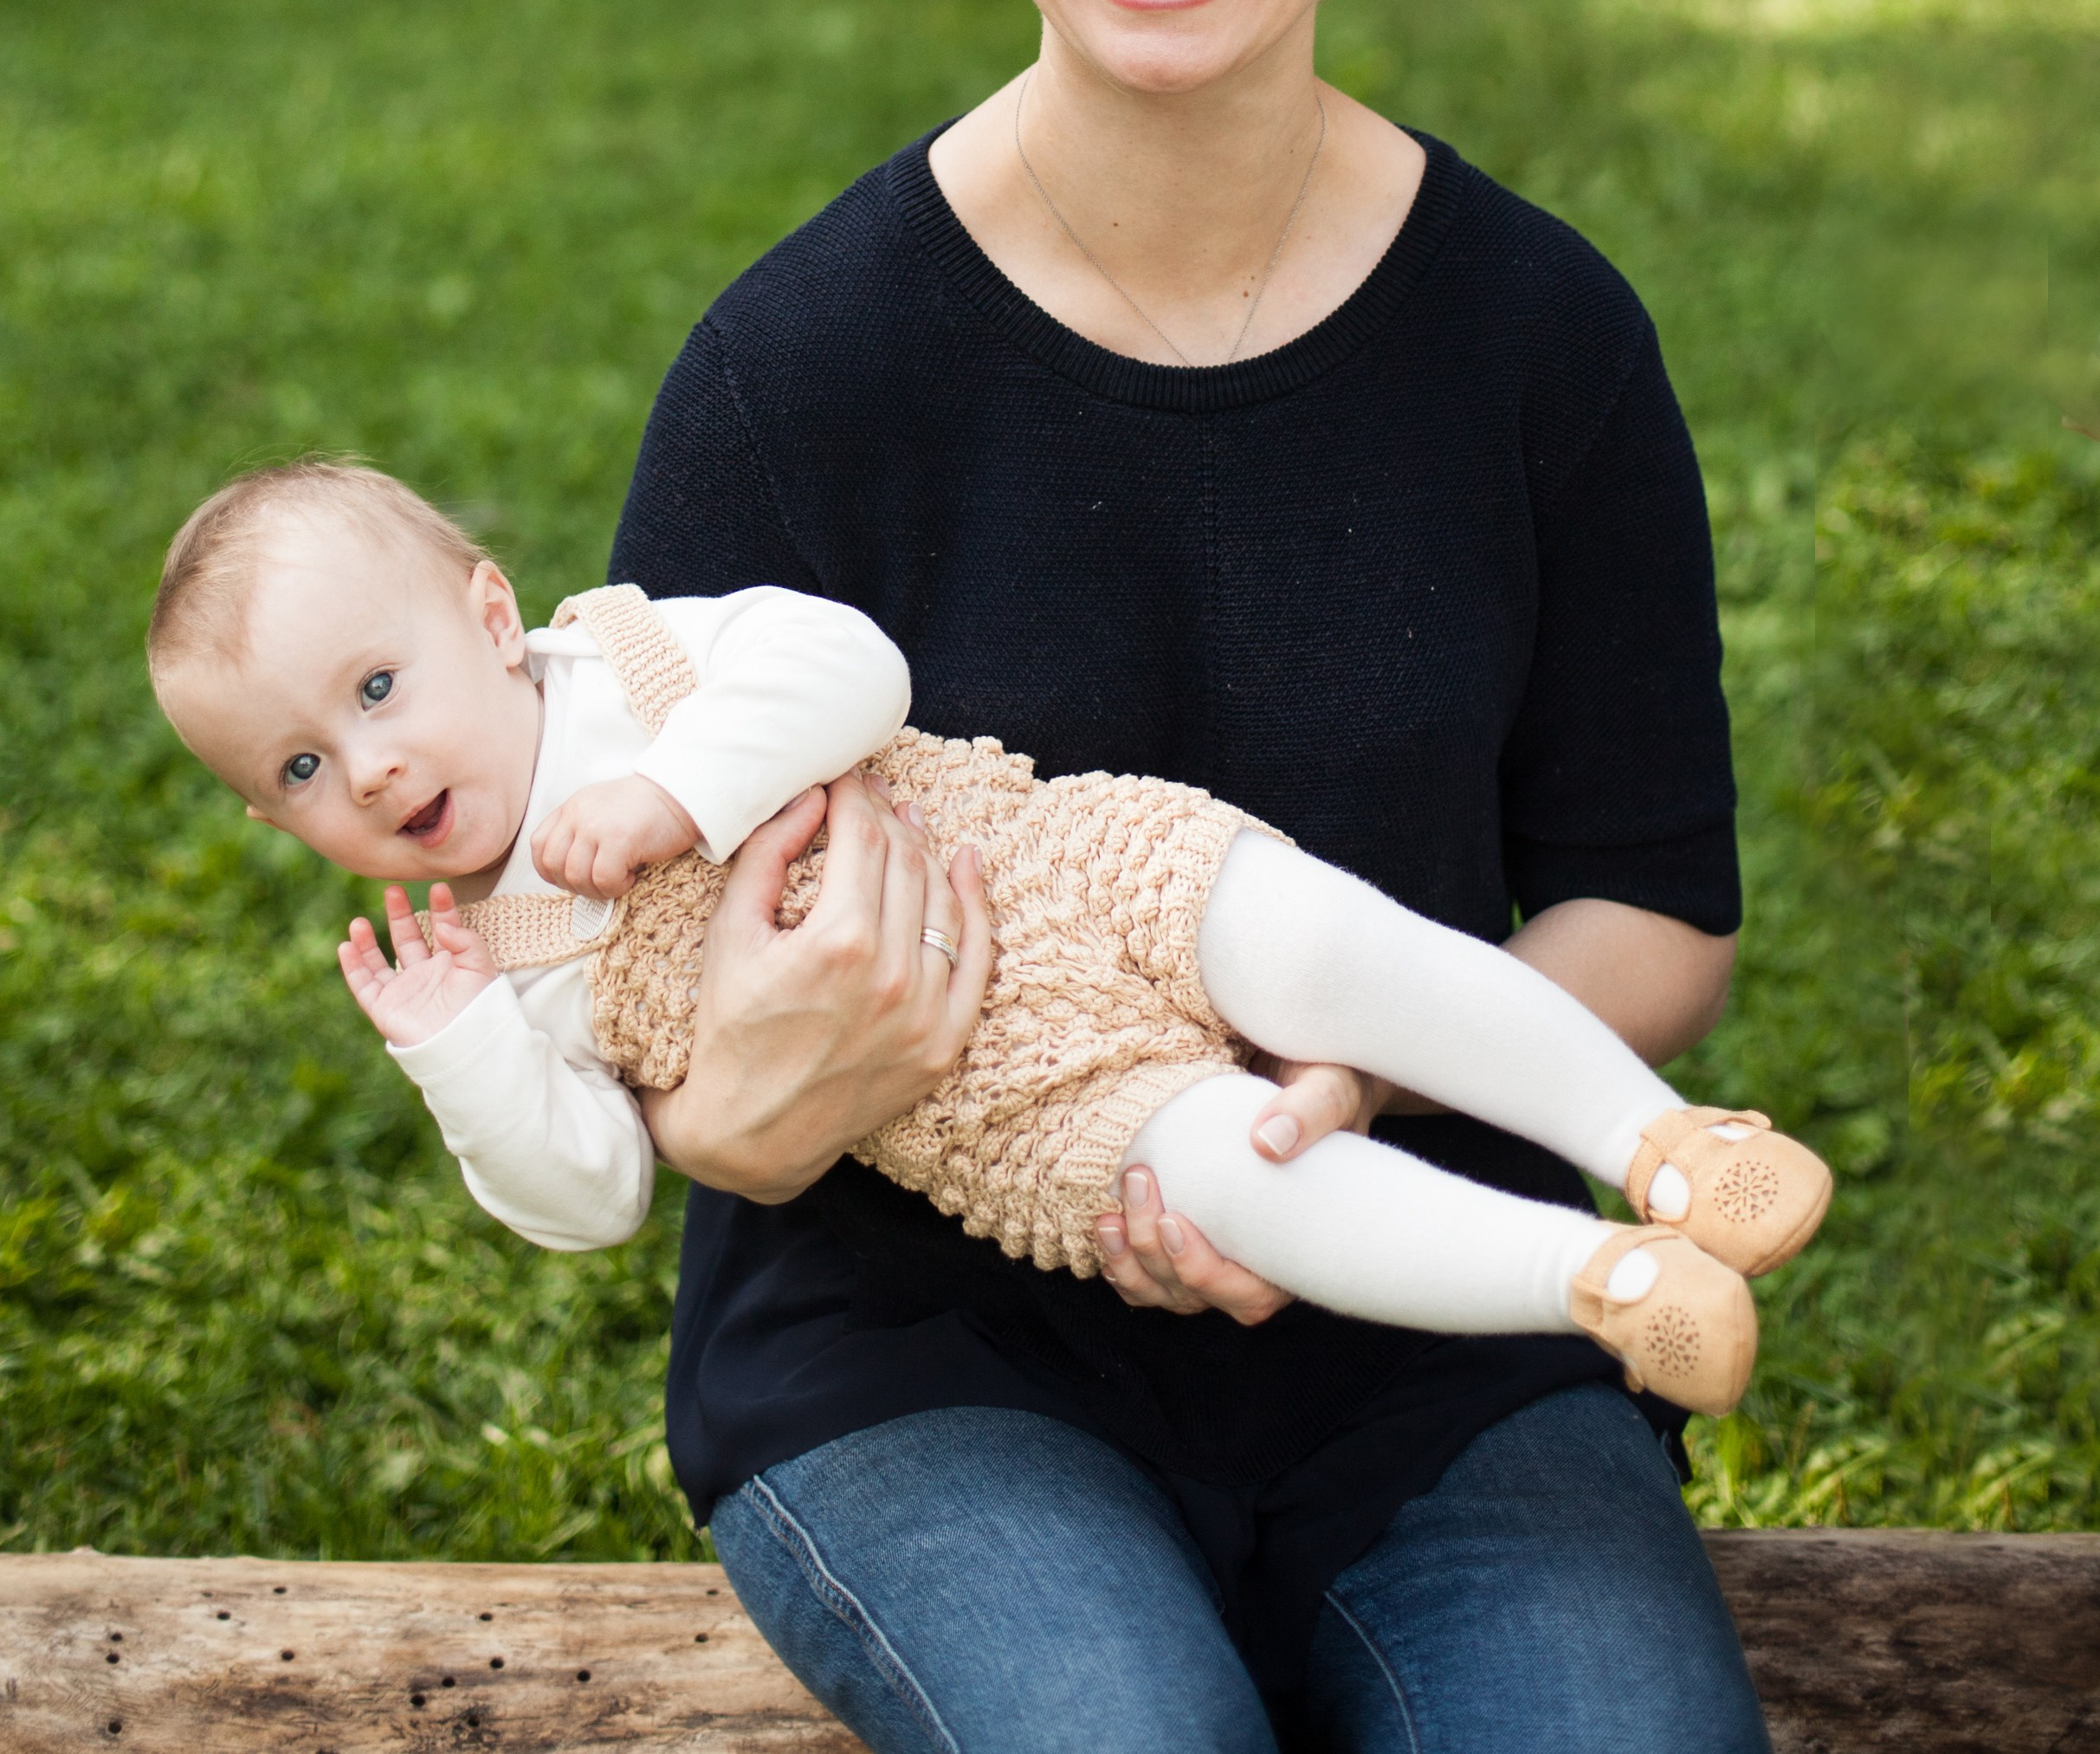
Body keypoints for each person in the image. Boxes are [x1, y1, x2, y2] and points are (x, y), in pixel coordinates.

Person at [638, 0, 1777, 1746]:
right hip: (930, 1352)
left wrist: (1336, 1088)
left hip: (1437, 1326)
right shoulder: (801, 371)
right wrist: (743, 1103)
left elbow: (1654, 902)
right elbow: (674, 1005)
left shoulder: (1543, 342)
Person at [144, 464, 1825, 1408]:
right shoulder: (504, 968)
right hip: (1000, 1104)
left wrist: (677, 798)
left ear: (488, 614)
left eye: (375, 688)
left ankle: (1664, 1144)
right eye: (300, 766)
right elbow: (587, 1196)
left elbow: (850, 671)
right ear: (273, 821)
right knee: (1231, 1169)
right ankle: (1600, 1281)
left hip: (1062, 865)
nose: (368, 762)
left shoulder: (642, 653)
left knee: (1321, 940)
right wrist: (458, 1056)